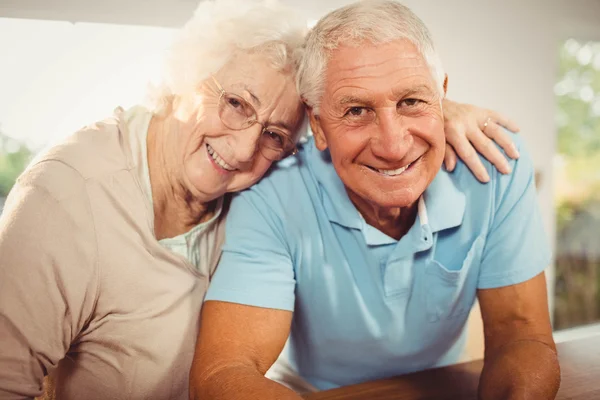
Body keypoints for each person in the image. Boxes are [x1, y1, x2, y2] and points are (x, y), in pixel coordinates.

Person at [0, 1, 519, 399]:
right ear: (185, 78)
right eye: (234, 104)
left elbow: (354, 92)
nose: (246, 147)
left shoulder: (260, 185)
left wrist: (436, 108)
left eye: (274, 133)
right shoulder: (66, 194)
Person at [190, 1, 560, 400]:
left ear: (442, 97)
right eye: (356, 110)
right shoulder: (272, 194)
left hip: (443, 387)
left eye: (411, 102)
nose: (393, 145)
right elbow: (223, 371)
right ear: (317, 125)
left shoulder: (495, 166)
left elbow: (521, 335)